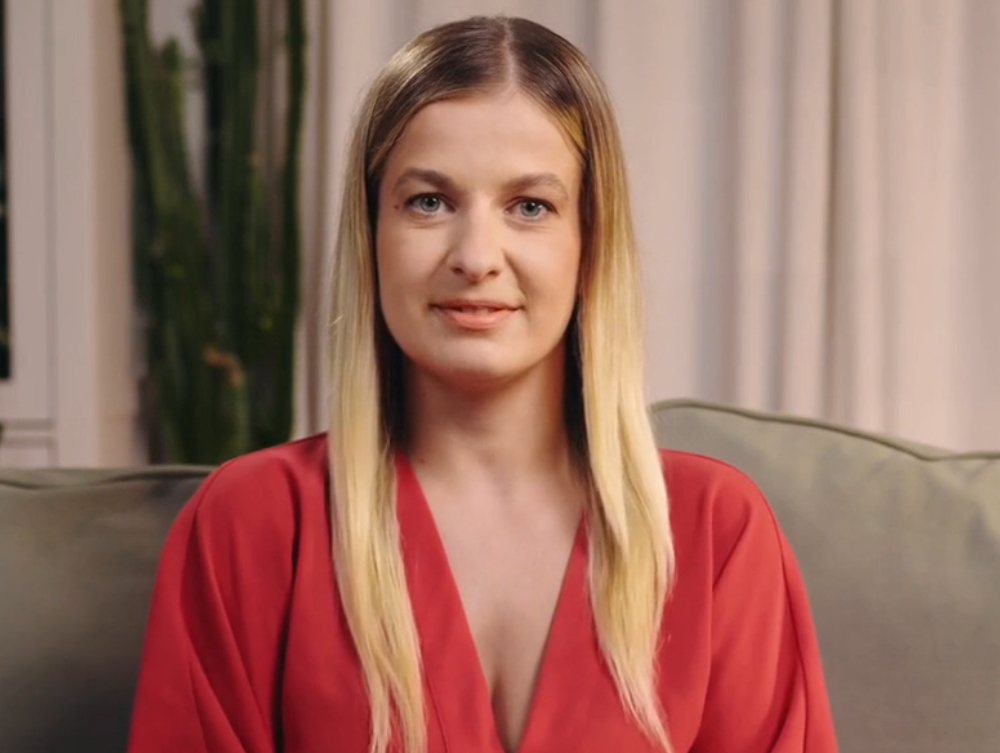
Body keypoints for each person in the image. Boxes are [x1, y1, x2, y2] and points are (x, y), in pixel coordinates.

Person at [127, 15, 839, 753]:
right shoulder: (252, 525)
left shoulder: (716, 533)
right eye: (428, 202)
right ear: (372, 236)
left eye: (530, 207)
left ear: (590, 240)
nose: (476, 256)